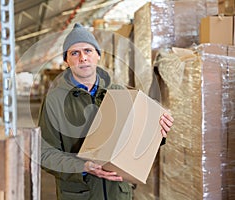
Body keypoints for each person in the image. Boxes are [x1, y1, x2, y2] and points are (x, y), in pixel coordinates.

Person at [38, 23, 174, 200]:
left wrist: (159, 130)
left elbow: (138, 136)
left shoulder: (120, 93)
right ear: (66, 60)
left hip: (117, 193)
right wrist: (84, 167)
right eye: (74, 53)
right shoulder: (55, 100)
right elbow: (45, 154)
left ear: (98, 55)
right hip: (80, 194)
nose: (83, 58)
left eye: (88, 51)